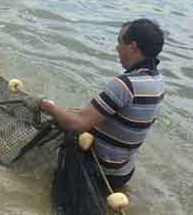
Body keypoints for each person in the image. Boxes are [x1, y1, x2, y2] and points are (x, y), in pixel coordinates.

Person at [40, 19, 166, 190]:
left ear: (133, 47)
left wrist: (47, 106)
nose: (117, 48)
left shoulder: (125, 84)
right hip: (123, 173)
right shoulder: (158, 82)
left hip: (98, 172)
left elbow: (77, 124)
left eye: (120, 41)